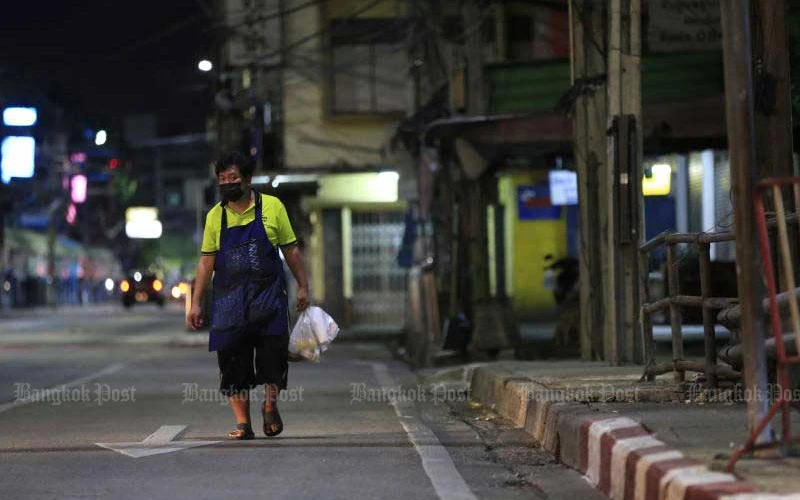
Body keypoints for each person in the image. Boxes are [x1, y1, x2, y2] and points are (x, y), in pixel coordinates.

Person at [187, 151, 309, 440]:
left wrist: (303, 285)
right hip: (229, 303)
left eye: (233, 178)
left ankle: (269, 405)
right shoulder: (215, 216)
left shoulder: (272, 207)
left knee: (272, 359)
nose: (228, 184)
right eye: (222, 180)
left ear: (247, 179)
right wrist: (195, 301)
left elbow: (290, 249)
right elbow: (206, 261)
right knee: (232, 364)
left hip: (268, 299)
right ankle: (243, 423)